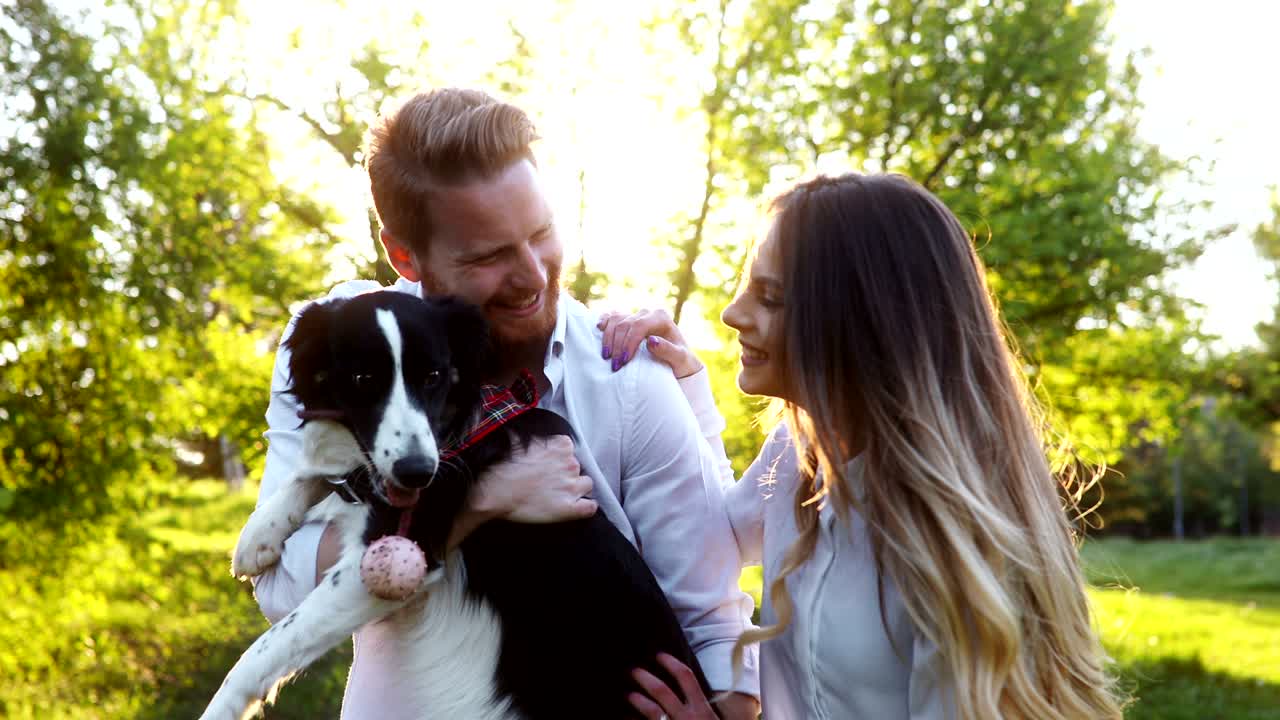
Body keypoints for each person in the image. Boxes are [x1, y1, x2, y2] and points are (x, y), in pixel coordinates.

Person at [250, 88, 760, 719]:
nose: (533, 275)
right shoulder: (338, 351)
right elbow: (279, 582)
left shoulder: (630, 379)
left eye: (542, 233)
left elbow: (713, 621)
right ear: (405, 255)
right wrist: (475, 504)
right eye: (489, 255)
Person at [601, 173, 1126, 719]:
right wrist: (682, 389)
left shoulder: (952, 555)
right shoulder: (797, 457)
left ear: (862, 322)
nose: (732, 314)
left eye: (771, 298)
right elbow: (717, 535)